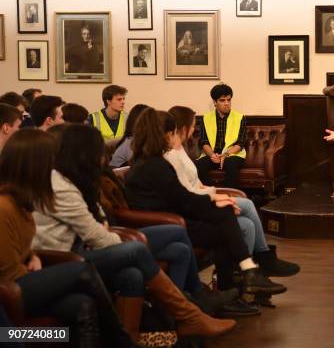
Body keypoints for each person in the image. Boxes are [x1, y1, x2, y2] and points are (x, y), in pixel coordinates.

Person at [32, 123, 237, 340]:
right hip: (65, 258)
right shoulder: (60, 186)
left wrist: (106, 230)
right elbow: (97, 236)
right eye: (98, 152)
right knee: (136, 250)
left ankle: (149, 329)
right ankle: (188, 314)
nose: (103, 158)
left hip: (84, 248)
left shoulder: (76, 179)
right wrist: (112, 234)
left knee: (148, 266)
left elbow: (99, 220)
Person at [0, 129, 140, 347]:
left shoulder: (22, 200)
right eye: (50, 162)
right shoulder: (4, 207)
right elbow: (7, 271)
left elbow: (21, 245)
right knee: (83, 269)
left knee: (81, 304)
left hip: (22, 285)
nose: (54, 169)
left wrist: (32, 255)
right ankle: (123, 342)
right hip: (9, 309)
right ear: (34, 166)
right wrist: (29, 262)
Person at [125, 108, 287, 293]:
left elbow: (182, 197)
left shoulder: (148, 161)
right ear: (165, 134)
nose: (174, 138)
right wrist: (213, 201)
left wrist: (213, 200)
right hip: (169, 222)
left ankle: (242, 279)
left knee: (226, 216)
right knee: (226, 217)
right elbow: (183, 199)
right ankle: (244, 276)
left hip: (173, 217)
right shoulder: (156, 165)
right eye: (172, 133)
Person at [168, 105, 300, 277]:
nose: (194, 129)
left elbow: (196, 182)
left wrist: (213, 191)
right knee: (246, 205)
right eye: (193, 125)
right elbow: (186, 193)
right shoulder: (170, 156)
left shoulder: (180, 150)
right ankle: (259, 261)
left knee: (248, 224)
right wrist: (215, 196)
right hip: (195, 207)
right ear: (183, 128)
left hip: (202, 196)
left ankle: (247, 274)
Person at [195, 84, 247, 189]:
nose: (227, 103)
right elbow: (204, 142)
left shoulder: (240, 117)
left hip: (232, 154)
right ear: (215, 102)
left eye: (229, 100)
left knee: (231, 164)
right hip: (213, 154)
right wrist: (212, 155)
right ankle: (213, 194)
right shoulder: (206, 118)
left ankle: (230, 196)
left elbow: (240, 143)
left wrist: (225, 155)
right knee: (198, 165)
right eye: (222, 100)